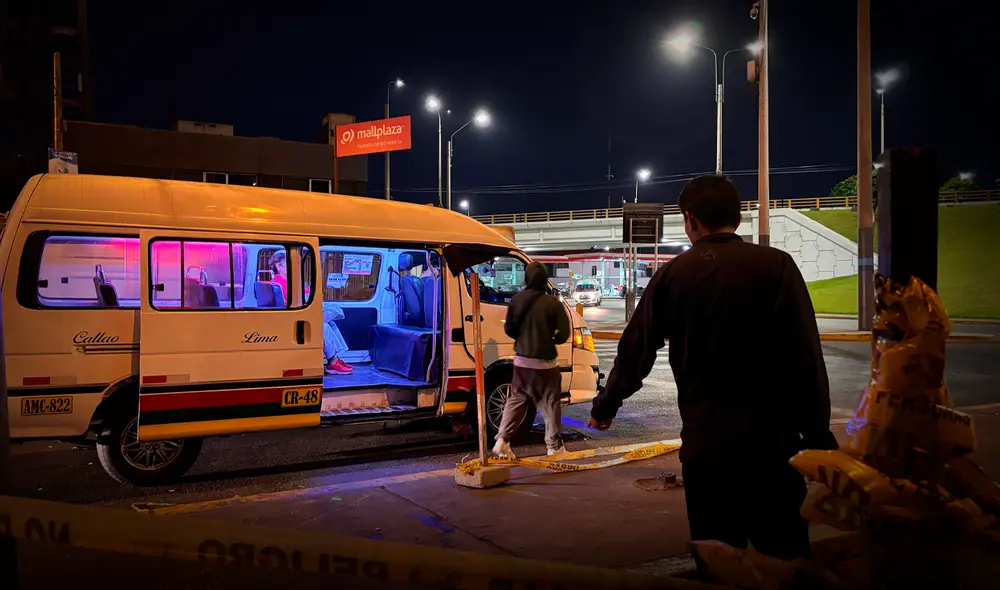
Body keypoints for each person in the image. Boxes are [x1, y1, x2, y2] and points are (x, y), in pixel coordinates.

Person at [588, 175, 837, 563]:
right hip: (776, 448)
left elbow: (636, 351)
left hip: (709, 450)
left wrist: (605, 406)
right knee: (787, 561)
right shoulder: (778, 267)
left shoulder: (673, 275)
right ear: (738, 218)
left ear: (690, 220)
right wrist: (819, 434)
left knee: (718, 562)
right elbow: (807, 357)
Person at [493, 262, 571, 459]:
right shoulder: (553, 303)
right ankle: (554, 447)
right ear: (545, 280)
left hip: (521, 362)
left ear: (526, 279)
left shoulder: (517, 300)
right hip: (545, 364)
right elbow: (563, 334)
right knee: (550, 403)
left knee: (516, 400)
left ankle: (502, 440)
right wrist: (548, 338)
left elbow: (509, 329)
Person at [269, 251, 352, 375]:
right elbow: (303, 296)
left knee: (331, 324)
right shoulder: (280, 281)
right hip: (292, 319)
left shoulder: (287, 280)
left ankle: (336, 358)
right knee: (324, 326)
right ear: (278, 266)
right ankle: (333, 362)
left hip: (295, 314)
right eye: (289, 264)